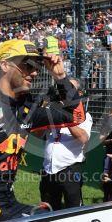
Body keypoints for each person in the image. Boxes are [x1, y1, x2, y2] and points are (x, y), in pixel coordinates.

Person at [0, 39, 85, 221]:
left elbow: (75, 116)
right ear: (5, 65)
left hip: (7, 202)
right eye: (28, 66)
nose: (34, 72)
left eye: (37, 66)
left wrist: (60, 77)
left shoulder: (27, 107)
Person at [39, 78, 93, 210]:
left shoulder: (84, 116)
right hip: (48, 169)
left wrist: (67, 118)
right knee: (48, 210)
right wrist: (43, 106)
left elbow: (83, 138)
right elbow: (36, 134)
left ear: (79, 93)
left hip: (69, 169)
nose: (64, 93)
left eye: (70, 89)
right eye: (62, 89)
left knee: (74, 211)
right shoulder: (52, 112)